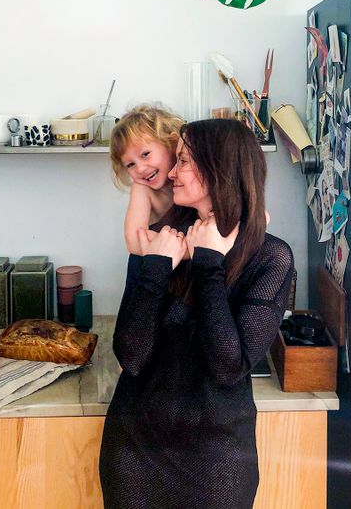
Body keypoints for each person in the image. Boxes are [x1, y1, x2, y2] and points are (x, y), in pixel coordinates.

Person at [99, 118, 295, 509]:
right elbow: (132, 356)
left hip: (218, 460)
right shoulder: (159, 242)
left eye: (184, 161)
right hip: (135, 452)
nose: (172, 172)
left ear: (218, 168)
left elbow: (227, 366)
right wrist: (156, 267)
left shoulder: (270, 257)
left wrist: (208, 263)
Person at [110, 104, 184, 255]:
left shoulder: (192, 177)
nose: (140, 169)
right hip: (154, 261)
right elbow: (134, 243)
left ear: (172, 143)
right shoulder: (142, 189)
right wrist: (190, 249)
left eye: (145, 154)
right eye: (130, 164)